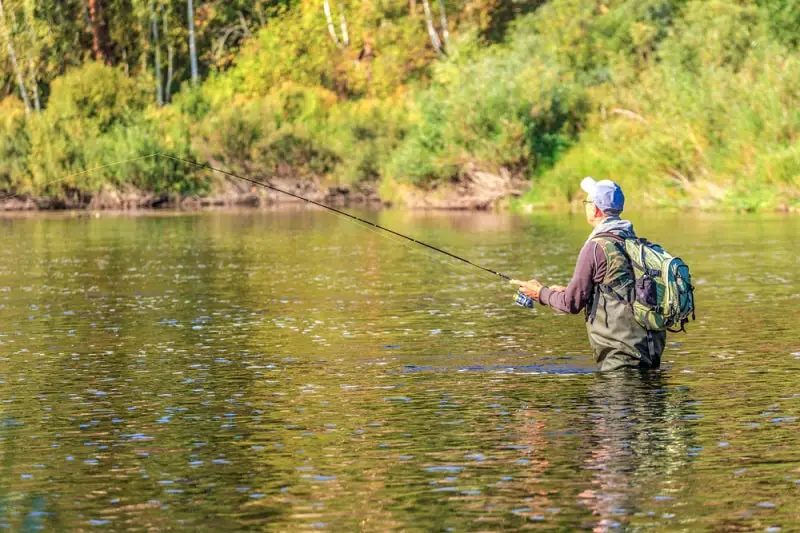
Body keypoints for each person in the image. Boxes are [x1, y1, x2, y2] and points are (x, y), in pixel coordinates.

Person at [511, 177, 665, 371]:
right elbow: (620, 290)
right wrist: (567, 291)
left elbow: (571, 304)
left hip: (620, 359)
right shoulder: (633, 241)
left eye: (587, 202)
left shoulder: (595, 248)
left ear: (595, 209)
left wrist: (539, 293)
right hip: (650, 352)